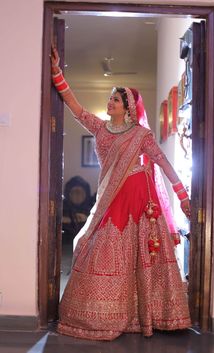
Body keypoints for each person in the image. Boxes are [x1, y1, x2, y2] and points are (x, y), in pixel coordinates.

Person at [51, 46, 191, 341]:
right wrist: (57, 73)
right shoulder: (100, 129)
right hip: (111, 199)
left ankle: (146, 316)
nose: (110, 102)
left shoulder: (141, 135)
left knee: (139, 255)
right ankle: (102, 314)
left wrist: (182, 196)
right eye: (110, 98)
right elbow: (76, 108)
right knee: (97, 247)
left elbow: (163, 163)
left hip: (140, 200)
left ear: (128, 106)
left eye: (115, 99)